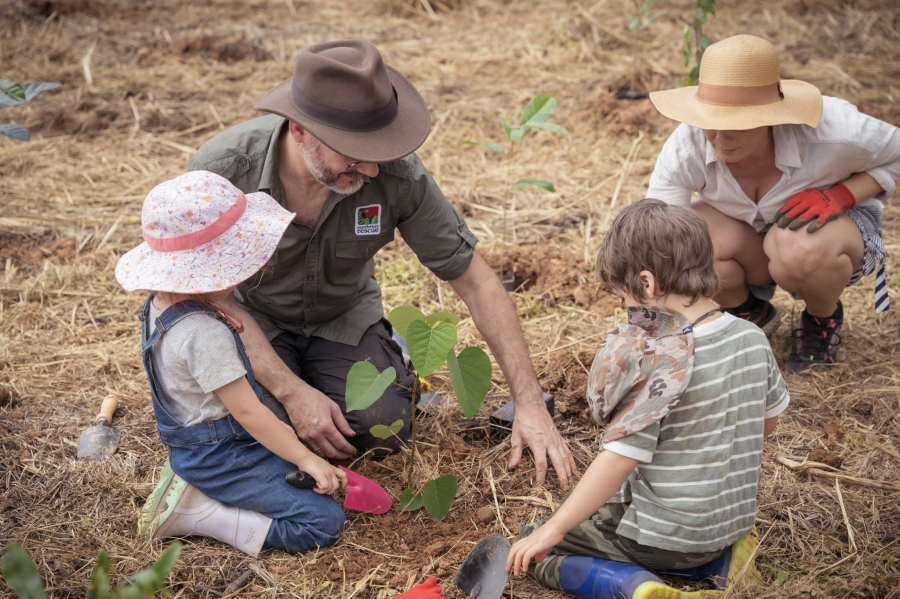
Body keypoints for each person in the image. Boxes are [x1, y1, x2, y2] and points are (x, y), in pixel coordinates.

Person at [187, 39, 576, 488]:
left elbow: (478, 284)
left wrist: (527, 401)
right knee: (257, 432)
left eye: (379, 149)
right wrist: (292, 393)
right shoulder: (223, 171)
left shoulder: (396, 174)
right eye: (353, 153)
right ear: (298, 130)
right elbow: (206, 295)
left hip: (342, 318)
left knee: (379, 426)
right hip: (251, 319)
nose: (371, 170)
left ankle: (384, 359)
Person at [506, 200, 789, 597]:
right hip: (728, 526)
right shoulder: (751, 337)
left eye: (625, 299)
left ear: (647, 285)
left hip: (665, 537)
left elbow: (621, 459)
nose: (627, 311)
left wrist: (554, 528)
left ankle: (633, 586)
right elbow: (768, 422)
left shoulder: (661, 359)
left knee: (537, 544)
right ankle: (719, 562)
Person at [116, 171, 347, 556]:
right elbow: (250, 414)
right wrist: (306, 457)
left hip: (196, 443)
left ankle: (198, 484)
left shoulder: (160, 306)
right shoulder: (203, 334)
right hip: (221, 452)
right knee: (322, 522)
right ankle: (201, 514)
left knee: (295, 467)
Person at [646, 34, 900, 373]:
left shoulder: (832, 130)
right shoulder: (686, 145)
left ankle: (821, 320)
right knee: (685, 240)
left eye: (735, 125)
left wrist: (844, 194)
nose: (720, 139)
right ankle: (746, 311)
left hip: (817, 238)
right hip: (743, 241)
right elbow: (660, 233)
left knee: (797, 245)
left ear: (771, 116)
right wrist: (656, 324)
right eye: (711, 121)